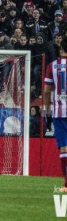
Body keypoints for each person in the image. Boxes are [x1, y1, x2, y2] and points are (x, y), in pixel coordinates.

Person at [44, 38, 67, 192]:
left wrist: (47, 109)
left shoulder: (52, 65)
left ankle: (66, 186)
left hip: (60, 112)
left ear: (60, 49)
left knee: (64, 149)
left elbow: (46, 91)